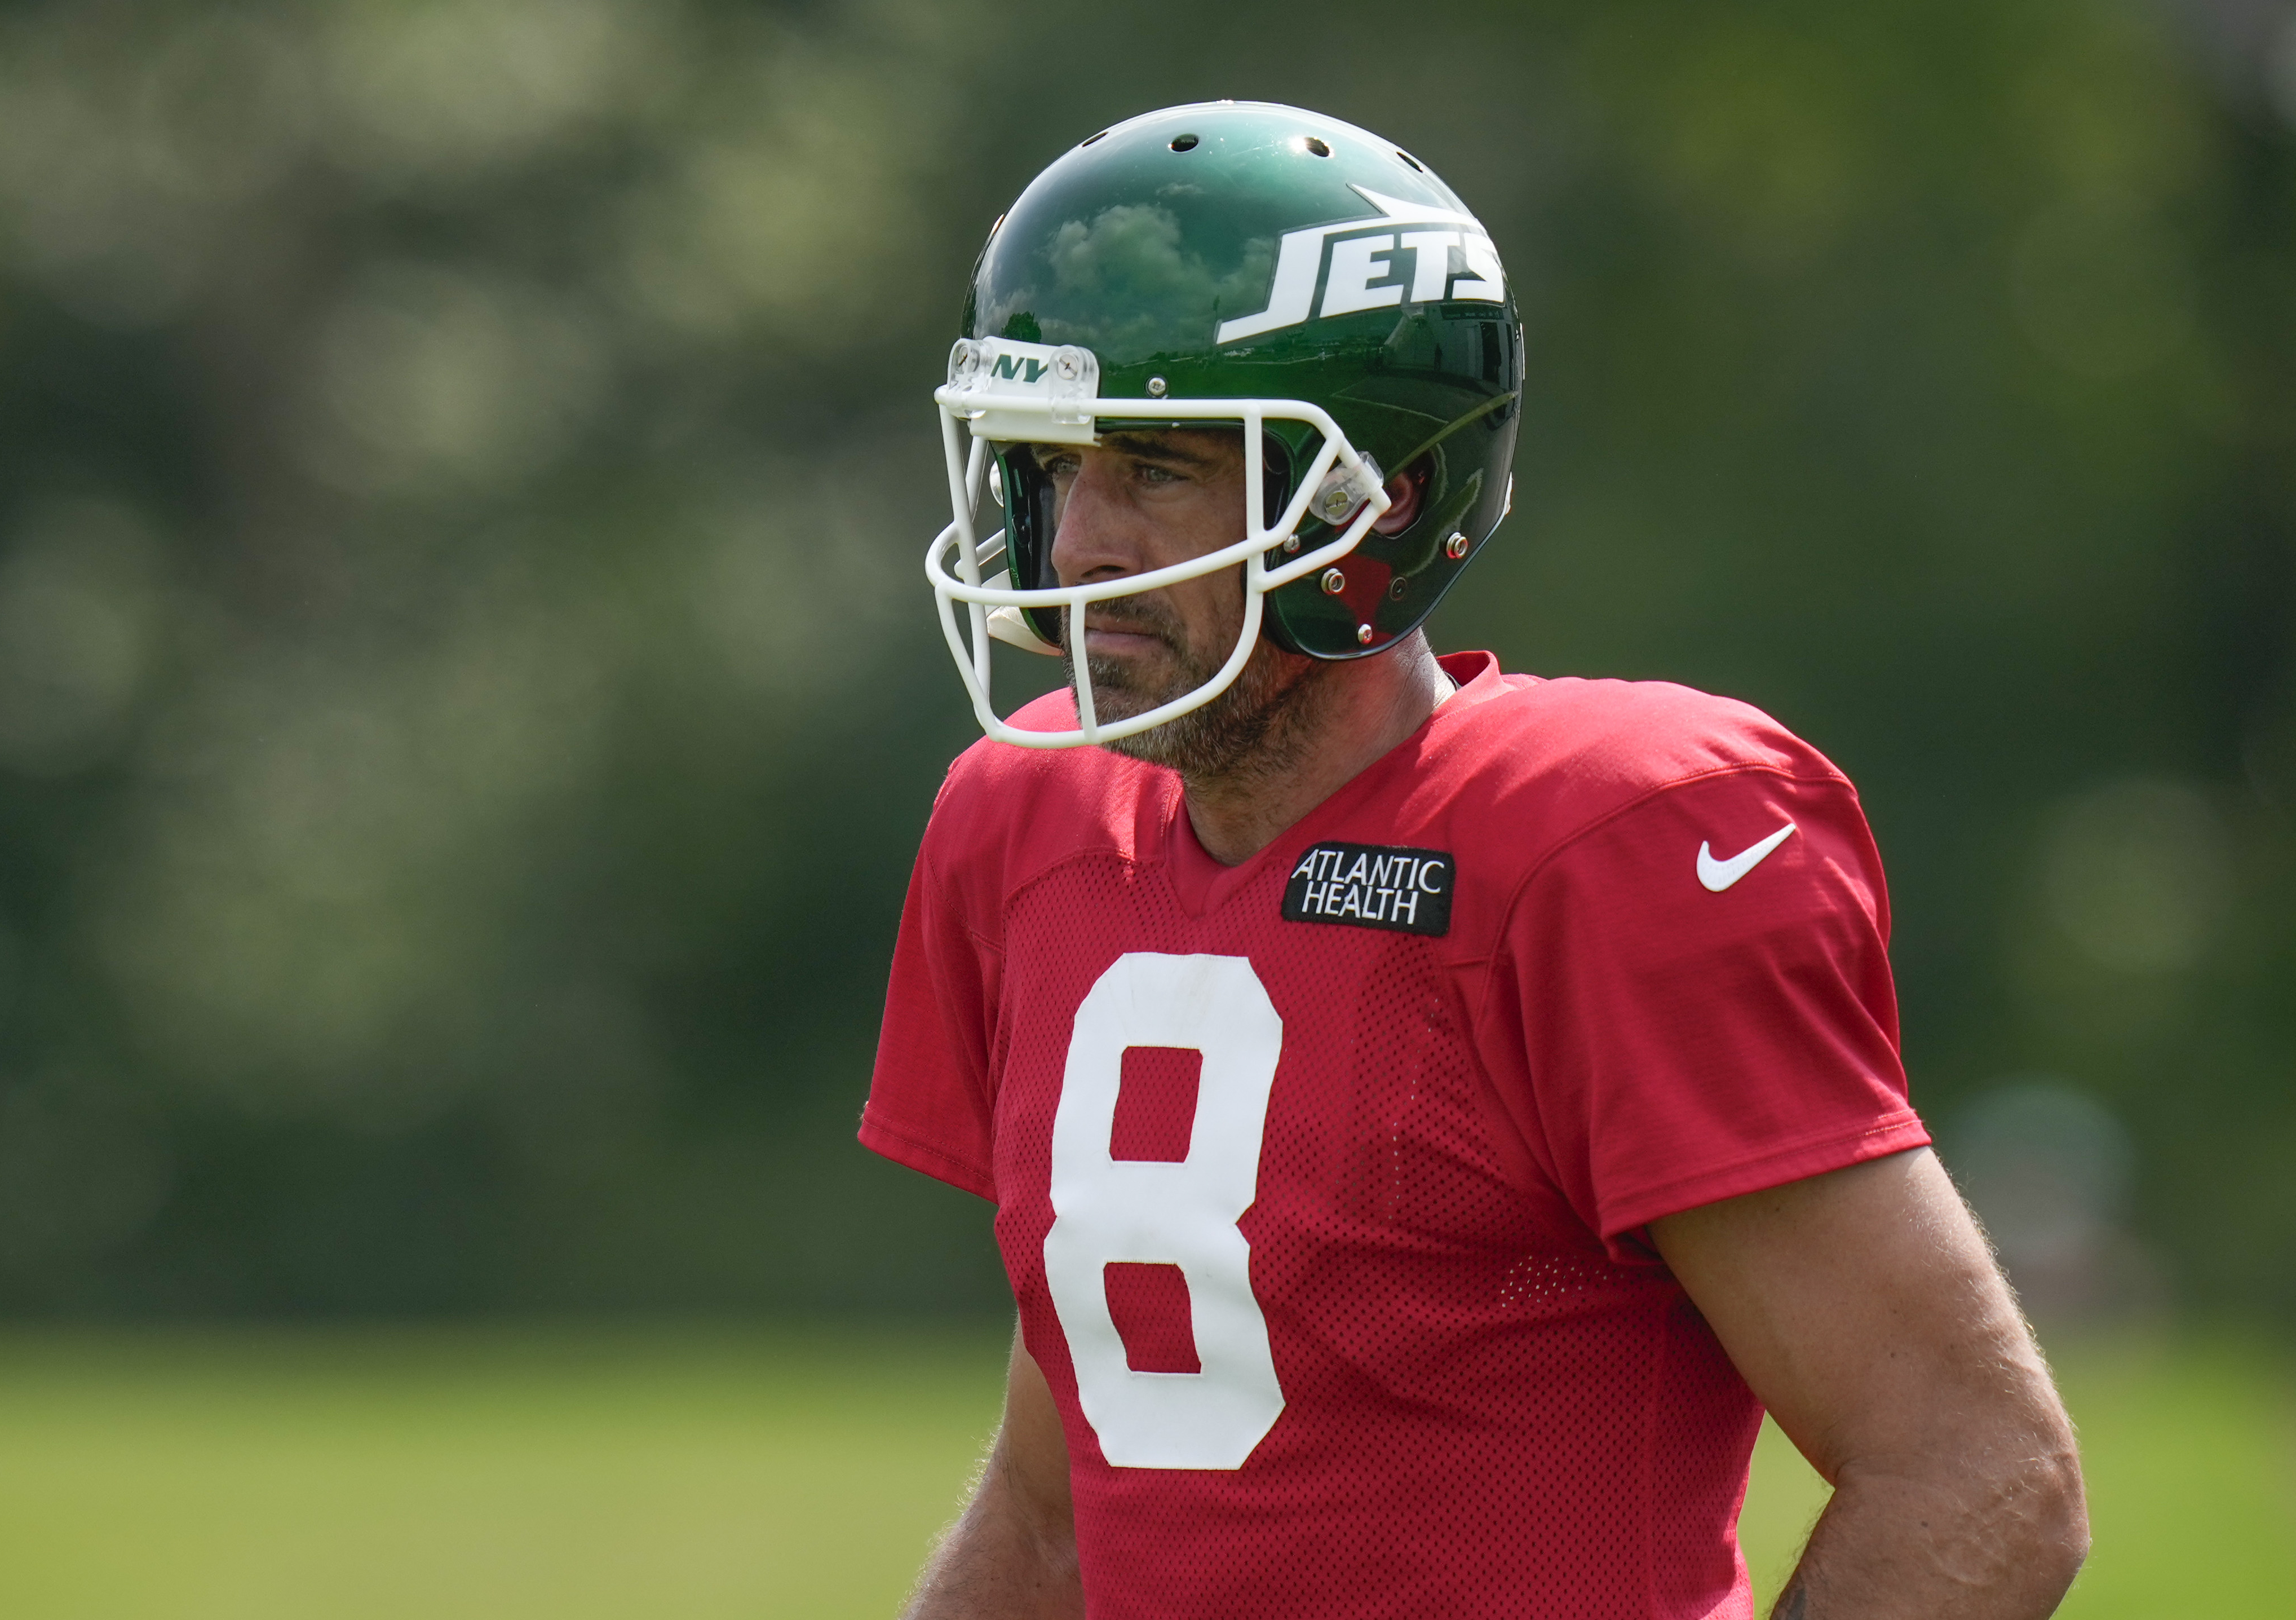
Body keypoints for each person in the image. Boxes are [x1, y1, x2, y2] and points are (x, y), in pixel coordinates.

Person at [862, 101, 2086, 1620]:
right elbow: (1054, 1515)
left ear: (1377, 499)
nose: (1078, 546)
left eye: (1159, 469)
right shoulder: (1026, 826)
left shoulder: (1596, 845)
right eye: (1054, 466)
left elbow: (1978, 1472)